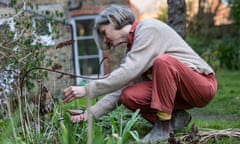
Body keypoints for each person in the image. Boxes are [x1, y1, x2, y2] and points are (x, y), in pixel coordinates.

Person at [63, 4, 217, 143]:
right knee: (128, 96)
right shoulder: (135, 49)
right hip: (177, 92)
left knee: (162, 62)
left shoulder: (148, 28)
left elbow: (128, 71)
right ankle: (176, 119)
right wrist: (91, 113)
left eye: (104, 32)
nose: (105, 41)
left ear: (113, 20)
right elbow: (121, 86)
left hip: (201, 85)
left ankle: (162, 128)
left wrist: (86, 89)